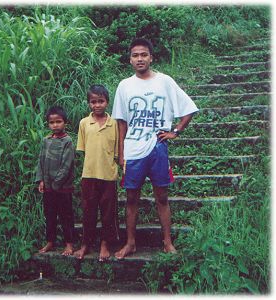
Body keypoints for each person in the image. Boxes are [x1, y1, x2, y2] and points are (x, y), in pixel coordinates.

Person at [112, 38, 199, 259]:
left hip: (158, 149)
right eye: (135, 55)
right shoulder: (125, 85)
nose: (140, 59)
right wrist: (121, 152)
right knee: (131, 198)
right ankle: (130, 243)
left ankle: (167, 242)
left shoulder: (165, 82)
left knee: (162, 196)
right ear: (130, 59)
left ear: (151, 57)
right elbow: (121, 122)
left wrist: (175, 131)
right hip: (133, 150)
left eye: (144, 54)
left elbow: (188, 108)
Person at [73, 84, 119, 262]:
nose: (97, 105)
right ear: (89, 103)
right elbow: (84, 150)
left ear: (107, 102)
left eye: (101, 101)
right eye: (93, 102)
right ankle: (86, 243)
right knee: (88, 210)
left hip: (108, 174)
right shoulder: (84, 123)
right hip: (89, 174)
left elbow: (116, 150)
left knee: (108, 211)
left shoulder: (113, 123)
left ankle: (106, 243)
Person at [35, 106, 75, 256]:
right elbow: (41, 161)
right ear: (48, 124)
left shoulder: (67, 141)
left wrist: (56, 184)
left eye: (58, 121)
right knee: (50, 214)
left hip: (63, 187)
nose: (55, 125)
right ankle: (50, 241)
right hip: (48, 187)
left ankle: (69, 244)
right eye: (52, 122)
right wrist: (41, 181)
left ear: (64, 122)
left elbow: (66, 165)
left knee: (66, 215)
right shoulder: (46, 140)